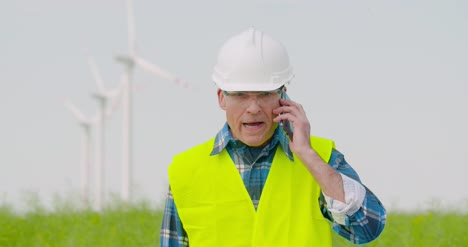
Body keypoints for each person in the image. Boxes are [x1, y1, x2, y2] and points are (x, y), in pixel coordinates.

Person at [160, 27, 386, 247]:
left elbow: (367, 229)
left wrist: (307, 155)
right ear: (222, 98)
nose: (253, 108)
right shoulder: (185, 170)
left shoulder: (320, 157)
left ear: (283, 95)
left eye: (265, 94)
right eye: (240, 95)